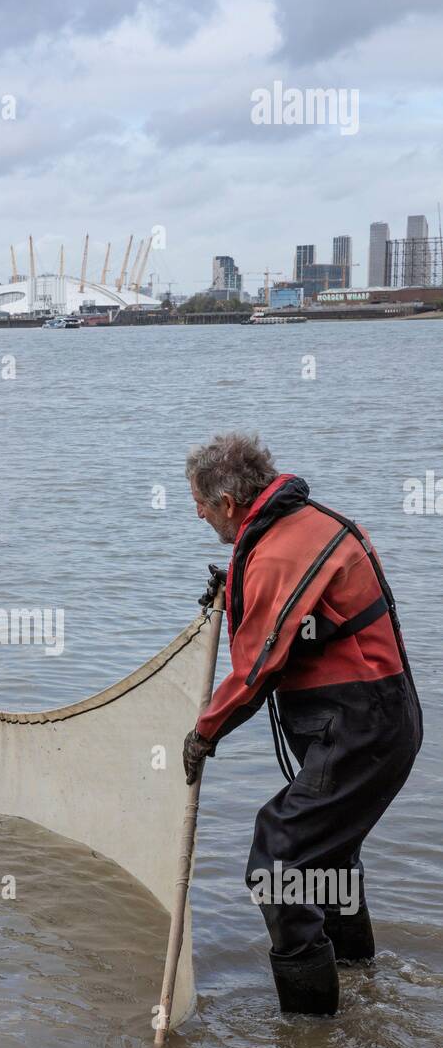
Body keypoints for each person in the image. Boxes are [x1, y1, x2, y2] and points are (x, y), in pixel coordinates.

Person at [182, 433, 423, 1016]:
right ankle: (359, 979)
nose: (197, 513)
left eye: (203, 504)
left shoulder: (282, 551)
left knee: (278, 860)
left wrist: (203, 734)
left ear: (230, 504)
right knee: (328, 859)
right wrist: (232, 590)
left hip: (362, 725)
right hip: (380, 720)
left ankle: (311, 1032)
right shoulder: (307, 524)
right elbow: (291, 613)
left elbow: (256, 670)